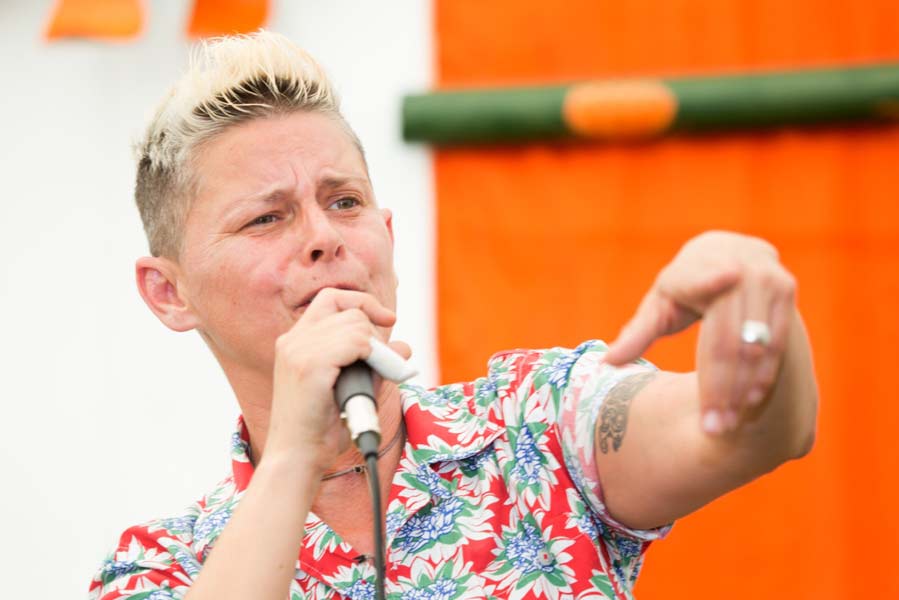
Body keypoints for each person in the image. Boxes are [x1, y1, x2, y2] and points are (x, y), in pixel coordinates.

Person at [88, 31, 818, 600]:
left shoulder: (536, 422)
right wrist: (292, 458)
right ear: (169, 294)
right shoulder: (160, 566)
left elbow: (751, 433)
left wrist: (759, 317)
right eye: (264, 219)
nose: (322, 236)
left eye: (344, 201)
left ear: (388, 238)